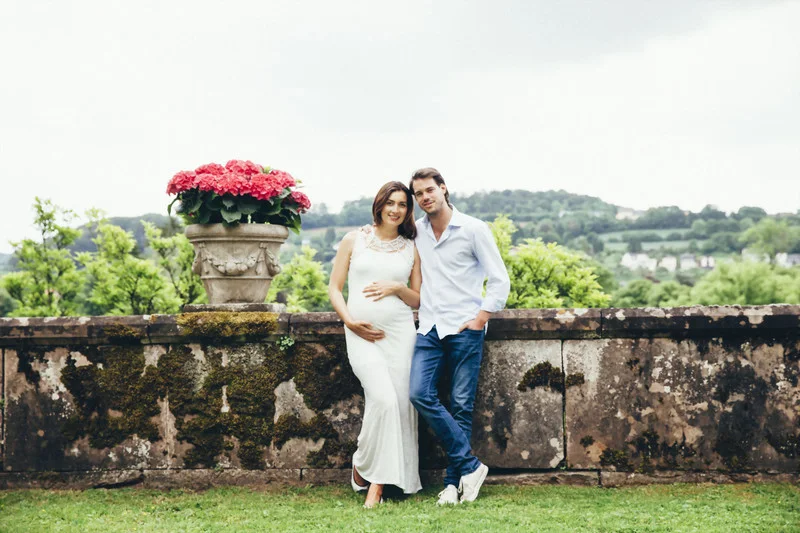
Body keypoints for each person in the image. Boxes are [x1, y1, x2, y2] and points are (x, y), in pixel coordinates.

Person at [408, 167, 510, 505]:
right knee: (419, 394)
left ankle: (453, 485)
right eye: (419, 193)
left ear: (443, 189)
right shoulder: (417, 232)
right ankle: (471, 466)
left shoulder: (473, 229)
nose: (425, 198)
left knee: (461, 406)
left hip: (465, 328)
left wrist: (481, 318)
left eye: (429, 190)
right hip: (430, 327)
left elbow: (499, 279)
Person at [328, 181, 423, 508]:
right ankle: (363, 465)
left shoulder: (411, 246)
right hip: (360, 333)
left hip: (399, 334)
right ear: (380, 205)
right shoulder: (354, 239)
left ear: (408, 211)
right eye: (391, 203)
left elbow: (419, 299)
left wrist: (397, 286)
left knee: (399, 404)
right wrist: (350, 321)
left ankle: (377, 485)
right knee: (382, 400)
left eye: (403, 205)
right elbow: (335, 289)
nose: (396, 209)